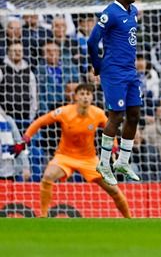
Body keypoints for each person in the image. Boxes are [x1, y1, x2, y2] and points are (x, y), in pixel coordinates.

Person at [23, 83, 131, 218]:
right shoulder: (64, 112)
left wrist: (114, 146)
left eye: (88, 94)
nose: (85, 97)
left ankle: (129, 219)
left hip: (89, 159)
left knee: (113, 189)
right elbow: (40, 121)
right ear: (75, 97)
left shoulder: (97, 113)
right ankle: (43, 216)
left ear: (92, 97)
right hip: (65, 157)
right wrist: (27, 136)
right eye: (82, 94)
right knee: (48, 177)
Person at [86, 0, 142, 185]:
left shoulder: (133, 12)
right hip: (113, 71)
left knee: (134, 114)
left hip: (130, 70)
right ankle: (104, 162)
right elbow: (92, 41)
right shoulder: (110, 12)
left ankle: (123, 161)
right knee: (116, 115)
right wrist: (98, 65)